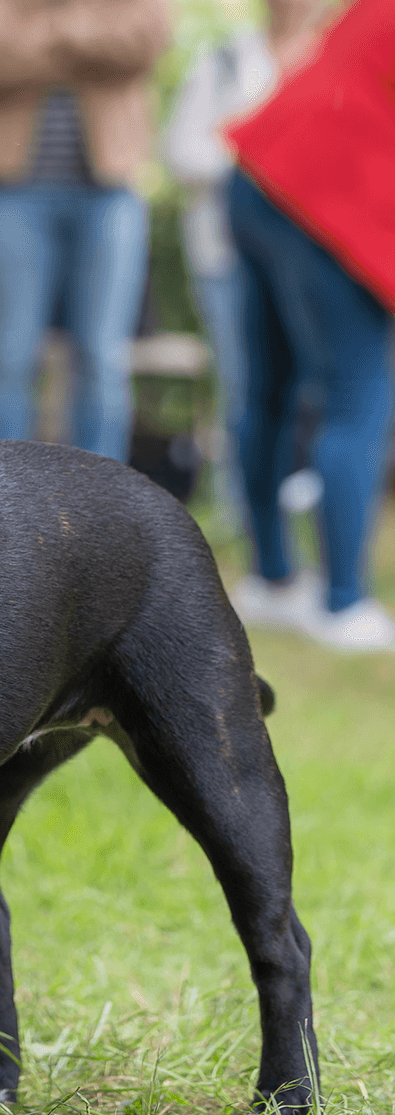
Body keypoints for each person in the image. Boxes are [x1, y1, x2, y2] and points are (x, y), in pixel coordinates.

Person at [223, 0, 395, 653]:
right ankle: (343, 603)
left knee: (270, 391)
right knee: (357, 396)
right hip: (333, 193)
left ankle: (271, 581)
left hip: (260, 172)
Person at [0, 0, 170, 463]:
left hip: (109, 191)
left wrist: (48, 29)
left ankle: (100, 512)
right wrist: (93, 35)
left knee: (103, 359)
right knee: (9, 356)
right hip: (12, 193)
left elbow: (145, 42)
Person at [163, 0, 325, 537]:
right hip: (228, 257)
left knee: (313, 387)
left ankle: (298, 506)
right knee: (245, 383)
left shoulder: (327, 59)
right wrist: (259, 159)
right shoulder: (225, 61)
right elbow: (181, 150)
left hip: (312, 261)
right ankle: (247, 519)